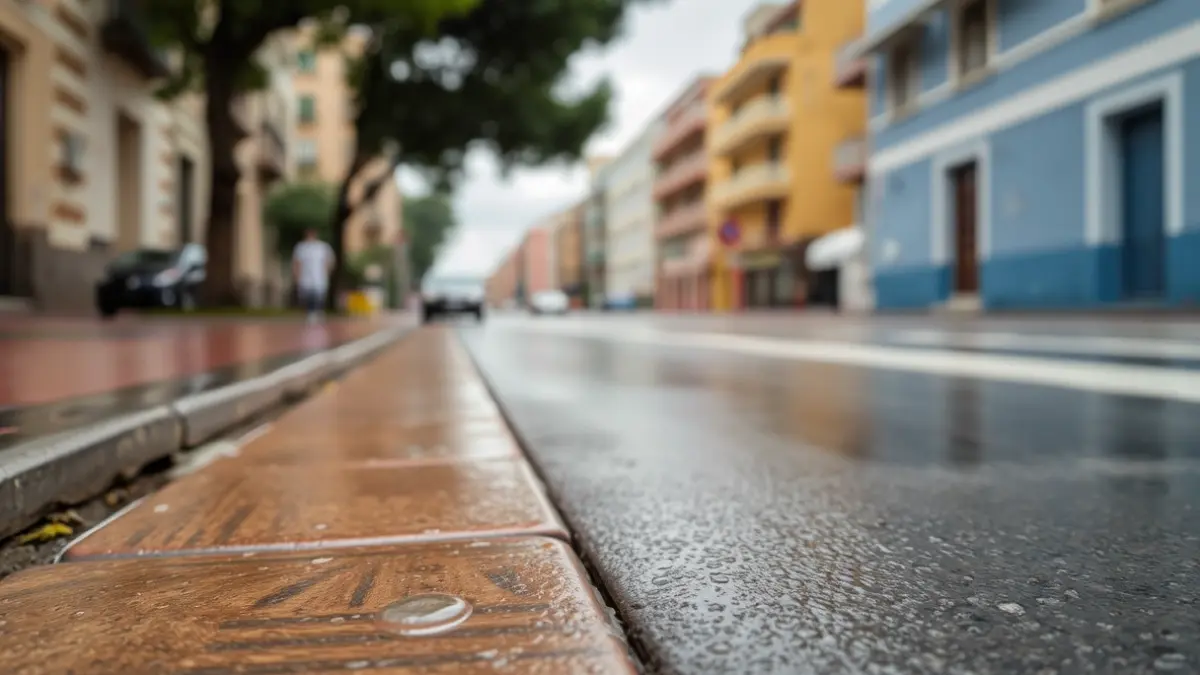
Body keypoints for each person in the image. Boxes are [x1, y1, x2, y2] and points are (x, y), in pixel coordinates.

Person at [292, 228, 334, 323]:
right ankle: (310, 312)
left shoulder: (322, 247)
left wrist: (327, 272)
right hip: (305, 276)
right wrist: (296, 275)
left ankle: (318, 311)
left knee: (319, 295)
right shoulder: (301, 247)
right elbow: (297, 262)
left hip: (319, 276)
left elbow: (328, 261)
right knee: (308, 295)